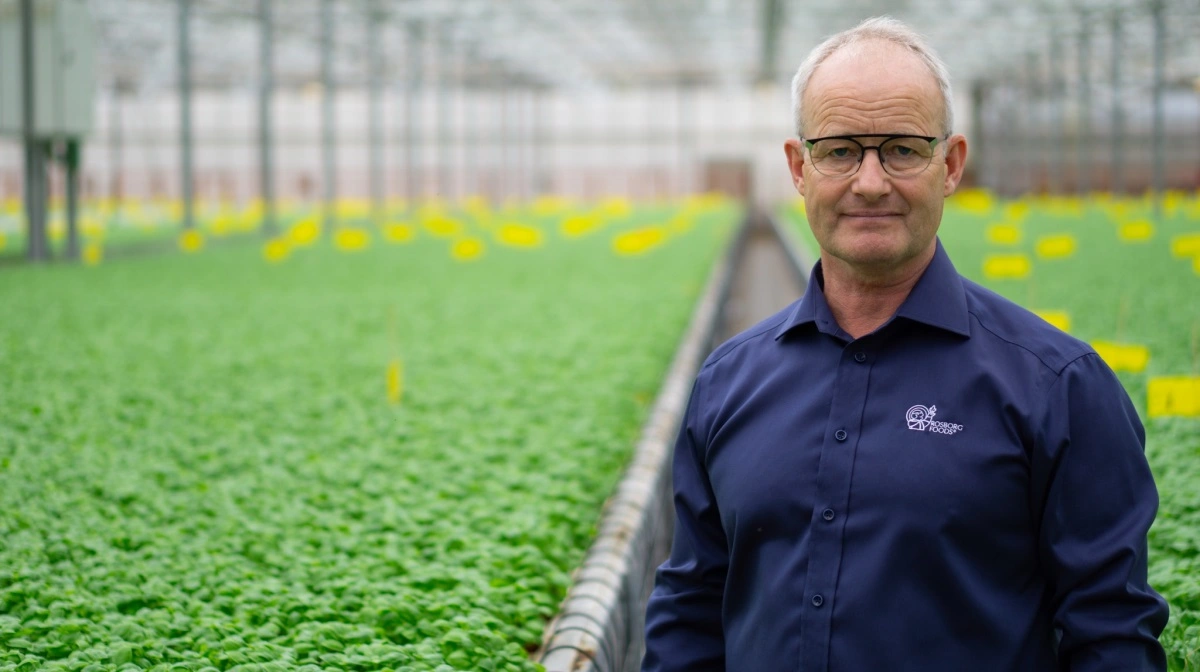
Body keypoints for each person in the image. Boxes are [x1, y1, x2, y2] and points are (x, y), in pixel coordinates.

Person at [641, 16, 1168, 672]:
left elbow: (1111, 635)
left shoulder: (1058, 387)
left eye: (901, 149)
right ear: (798, 167)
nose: (869, 182)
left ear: (949, 165)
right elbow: (692, 605)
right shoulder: (728, 381)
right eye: (839, 150)